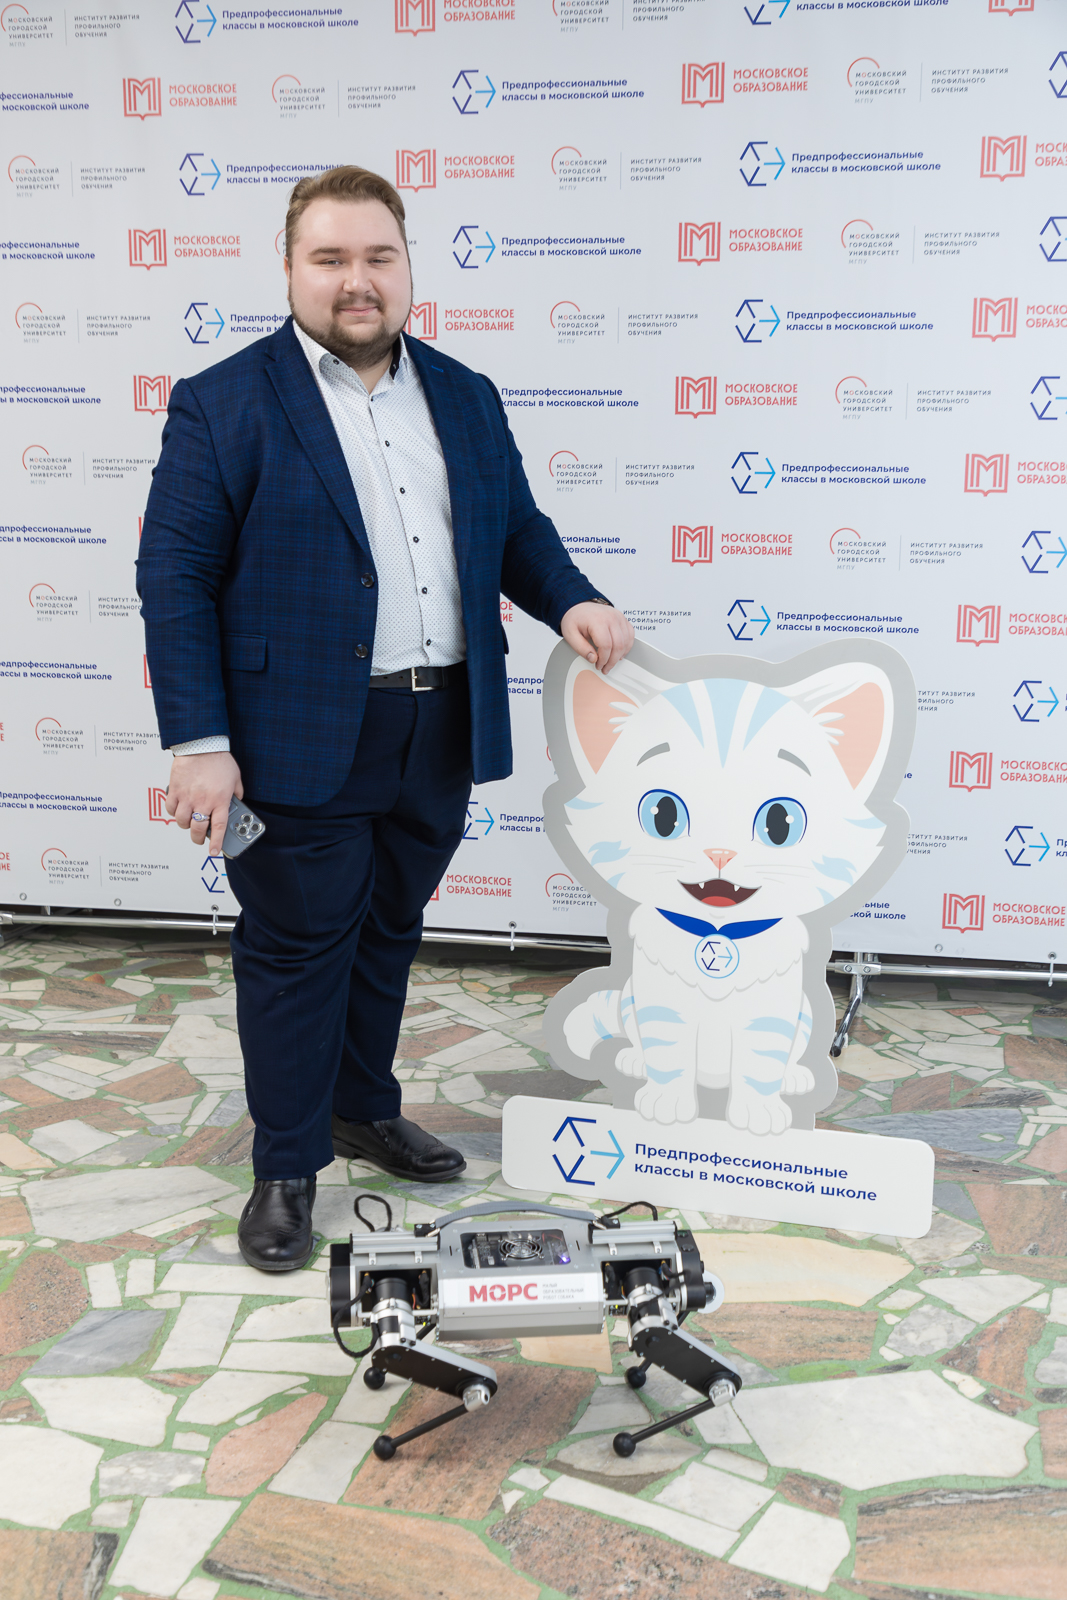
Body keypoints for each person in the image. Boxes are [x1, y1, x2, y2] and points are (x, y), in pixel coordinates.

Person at [136, 165, 634, 1272]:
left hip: (437, 726)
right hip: (294, 736)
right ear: (289, 269)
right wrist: (199, 745)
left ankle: (362, 1107)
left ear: (406, 268)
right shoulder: (224, 402)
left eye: (377, 257)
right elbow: (174, 577)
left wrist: (571, 599)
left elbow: (515, 529)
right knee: (295, 950)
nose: (356, 280)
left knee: (386, 932)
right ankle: (285, 1165)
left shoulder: (464, 393)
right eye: (330, 258)